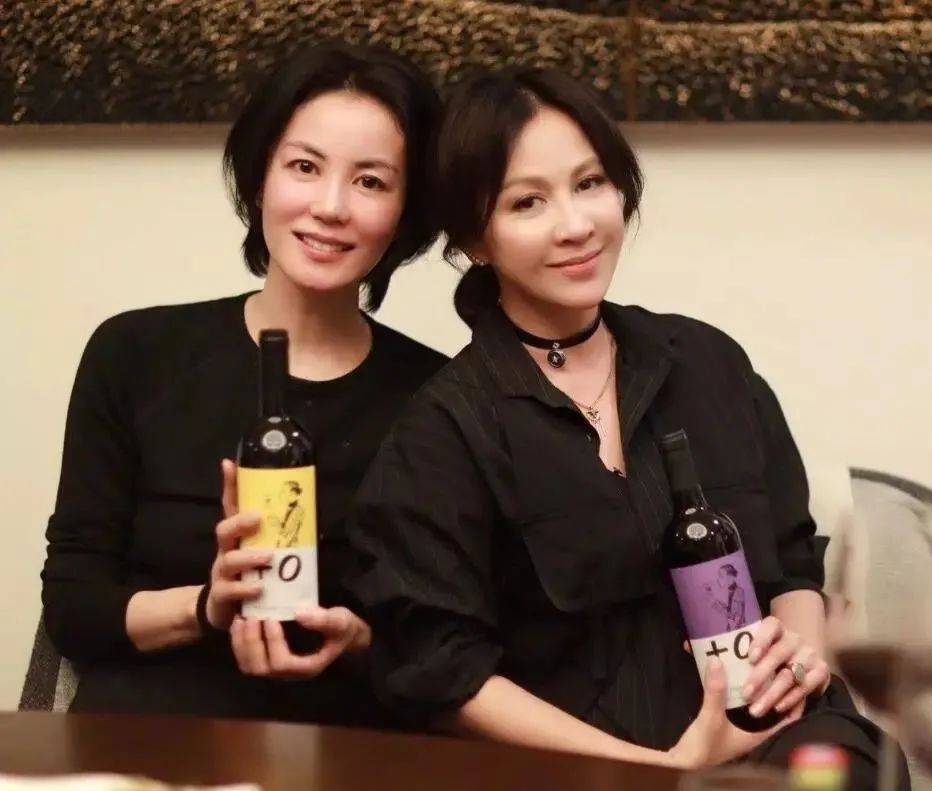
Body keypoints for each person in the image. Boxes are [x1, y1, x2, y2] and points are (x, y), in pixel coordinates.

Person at [345, 68, 909, 786]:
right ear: (475, 239)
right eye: (527, 202)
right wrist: (662, 769)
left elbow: (792, 561)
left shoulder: (706, 362)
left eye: (589, 183)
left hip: (784, 739)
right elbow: (441, 669)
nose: (576, 225)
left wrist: (799, 665)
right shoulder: (444, 431)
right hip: (590, 767)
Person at [41, 42, 447, 725]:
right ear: (261, 177)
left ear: (406, 213)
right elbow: (73, 608)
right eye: (304, 167)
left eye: (371, 182)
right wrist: (207, 605)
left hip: (347, 748)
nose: (331, 206)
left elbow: (448, 644)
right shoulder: (135, 352)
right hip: (144, 741)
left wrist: (359, 643)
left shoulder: (437, 396)